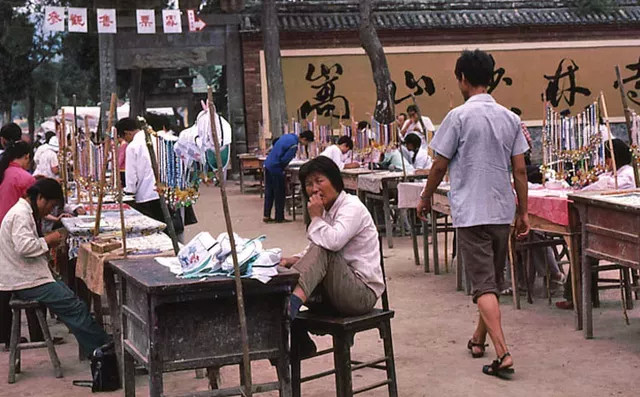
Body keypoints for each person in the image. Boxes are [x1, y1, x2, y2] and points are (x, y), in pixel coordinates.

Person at [417, 49, 530, 378]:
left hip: (471, 211)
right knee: (490, 283)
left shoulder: (458, 117)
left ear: (463, 79)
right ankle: (478, 339)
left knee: (483, 286)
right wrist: (523, 212)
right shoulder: (510, 119)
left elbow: (439, 164)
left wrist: (425, 196)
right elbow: (520, 171)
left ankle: (503, 352)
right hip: (501, 210)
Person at [279, 156, 384, 355]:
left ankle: (289, 312)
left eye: (319, 181)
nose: (314, 188)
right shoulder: (327, 210)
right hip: (333, 292)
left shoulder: (351, 207)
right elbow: (313, 253)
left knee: (326, 249)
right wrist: (288, 260)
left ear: (334, 181)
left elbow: (331, 244)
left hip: (360, 294)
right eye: (309, 184)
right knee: (282, 269)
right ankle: (295, 328)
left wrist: (316, 218)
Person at [0, 178, 109, 357]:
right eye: (50, 206)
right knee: (75, 306)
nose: (49, 211)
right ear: (40, 198)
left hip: (27, 274)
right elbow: (24, 247)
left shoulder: (25, 211)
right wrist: (48, 241)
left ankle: (98, 346)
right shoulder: (21, 214)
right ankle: (102, 350)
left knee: (73, 303)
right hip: (24, 279)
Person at [555, 138, 636, 310]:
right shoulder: (612, 173)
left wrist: (593, 185)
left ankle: (575, 296)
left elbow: (604, 187)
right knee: (580, 242)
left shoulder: (626, 175)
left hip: (616, 229)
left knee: (579, 247)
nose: (605, 163)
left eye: (607, 158)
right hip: (610, 226)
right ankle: (585, 294)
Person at [0, 141, 43, 348]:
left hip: (4, 232)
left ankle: (6, 335)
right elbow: (36, 207)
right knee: (31, 279)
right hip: (14, 235)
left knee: (4, 287)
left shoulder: (5, 173)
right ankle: (37, 333)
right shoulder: (24, 178)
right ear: (26, 157)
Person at [117, 117, 164, 223]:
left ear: (127, 133)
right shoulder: (156, 137)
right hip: (164, 190)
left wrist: (129, 191)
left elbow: (131, 176)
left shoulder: (133, 146)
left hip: (146, 194)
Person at [263, 130, 314, 223]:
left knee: (269, 191)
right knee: (279, 192)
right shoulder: (294, 145)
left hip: (268, 164)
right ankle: (279, 217)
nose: (305, 145)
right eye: (307, 142)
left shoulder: (287, 136)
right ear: (304, 139)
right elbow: (285, 159)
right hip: (276, 167)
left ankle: (266, 215)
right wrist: (283, 169)